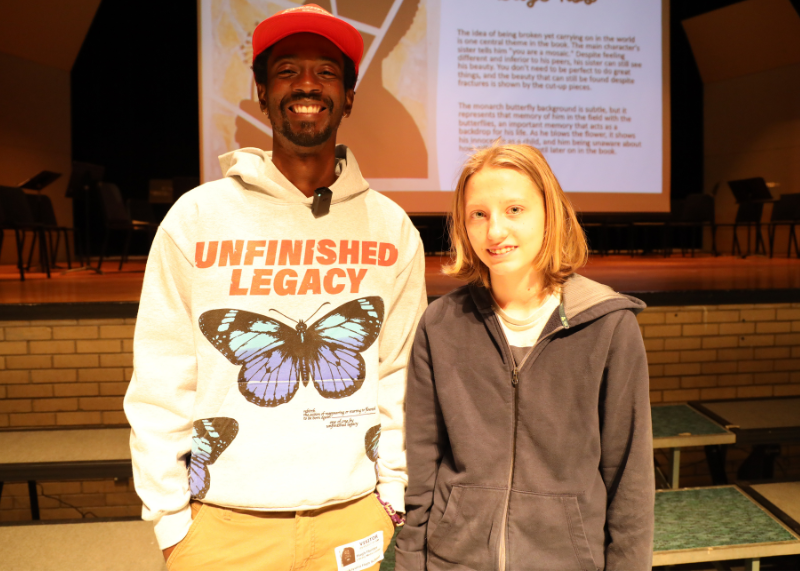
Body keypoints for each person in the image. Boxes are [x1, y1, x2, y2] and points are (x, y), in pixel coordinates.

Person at [124, 5, 427, 570]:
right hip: (222, 528)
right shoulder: (197, 218)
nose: (307, 84)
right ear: (262, 93)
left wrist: (393, 499)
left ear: (350, 96)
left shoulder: (392, 229)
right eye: (287, 70)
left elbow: (400, 375)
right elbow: (162, 377)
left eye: (326, 71)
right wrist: (171, 522)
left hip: (356, 517)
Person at [395, 143, 654, 571]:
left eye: (514, 209)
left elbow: (630, 480)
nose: (495, 231)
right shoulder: (440, 325)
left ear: (549, 214)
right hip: (454, 561)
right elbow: (422, 468)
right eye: (479, 214)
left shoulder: (609, 326)